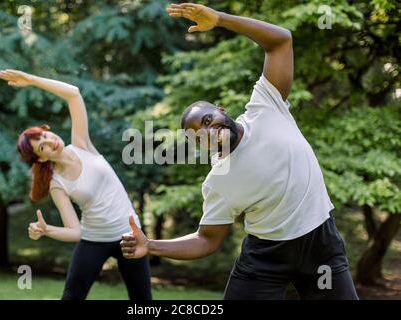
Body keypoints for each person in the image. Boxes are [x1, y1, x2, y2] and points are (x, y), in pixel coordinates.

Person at [120, 3, 359, 300]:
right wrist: (151, 245)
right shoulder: (219, 179)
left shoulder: (265, 106)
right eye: (200, 134)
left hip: (320, 244)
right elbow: (206, 240)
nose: (209, 130)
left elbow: (281, 40)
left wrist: (220, 19)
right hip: (266, 259)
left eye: (208, 120)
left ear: (221, 110)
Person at [0, 69, 152, 300]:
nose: (49, 141)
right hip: (94, 239)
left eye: (44, 136)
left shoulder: (81, 144)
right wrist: (46, 229)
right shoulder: (56, 183)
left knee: (143, 302)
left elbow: (73, 94)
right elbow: (75, 232)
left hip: (130, 235)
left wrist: (31, 80)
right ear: (41, 158)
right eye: (42, 147)